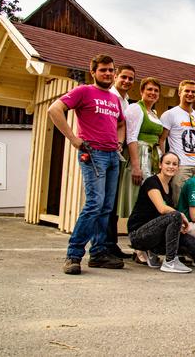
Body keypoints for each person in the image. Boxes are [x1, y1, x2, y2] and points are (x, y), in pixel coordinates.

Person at [48, 54, 126, 275]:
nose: (108, 74)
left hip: (112, 156)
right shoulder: (83, 91)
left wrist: (119, 142)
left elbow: (121, 123)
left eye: (111, 70)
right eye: (103, 70)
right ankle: (73, 255)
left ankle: (99, 254)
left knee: (107, 207)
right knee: (94, 204)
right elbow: (54, 109)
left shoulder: (113, 99)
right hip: (93, 154)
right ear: (93, 72)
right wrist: (73, 139)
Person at [127, 152, 195, 273]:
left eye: (174, 164)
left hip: (155, 232)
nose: (171, 166)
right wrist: (181, 216)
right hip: (138, 233)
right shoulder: (152, 182)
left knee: (193, 244)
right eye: (167, 163)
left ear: (178, 167)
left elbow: (165, 217)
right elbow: (162, 208)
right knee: (176, 215)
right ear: (160, 165)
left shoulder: (169, 186)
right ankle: (170, 262)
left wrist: (179, 226)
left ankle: (152, 251)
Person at [116, 77, 163, 228]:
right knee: (138, 196)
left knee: (151, 196)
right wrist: (136, 167)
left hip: (153, 156)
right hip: (140, 155)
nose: (153, 93)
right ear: (142, 91)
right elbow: (131, 137)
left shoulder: (154, 112)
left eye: (156, 91)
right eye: (149, 89)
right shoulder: (136, 108)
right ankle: (137, 238)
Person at [159, 80, 195, 205]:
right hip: (180, 166)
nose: (190, 94)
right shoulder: (170, 114)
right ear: (179, 92)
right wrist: (163, 163)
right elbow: (162, 139)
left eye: (193, 92)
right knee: (180, 203)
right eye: (187, 90)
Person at [107, 64, 135, 259]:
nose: (126, 81)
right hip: (107, 153)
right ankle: (102, 246)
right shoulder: (110, 96)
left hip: (121, 156)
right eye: (123, 77)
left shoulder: (127, 101)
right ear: (116, 76)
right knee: (105, 204)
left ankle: (111, 244)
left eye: (130, 79)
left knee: (114, 202)